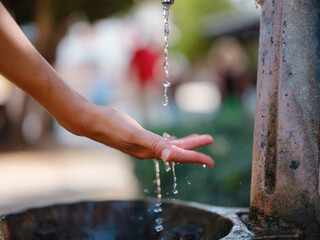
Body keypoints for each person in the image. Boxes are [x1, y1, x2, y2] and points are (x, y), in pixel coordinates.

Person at [0, 2, 214, 167]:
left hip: (148, 86)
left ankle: (154, 126)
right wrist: (86, 116)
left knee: (151, 111)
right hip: (142, 86)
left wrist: (86, 115)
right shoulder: (139, 49)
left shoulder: (146, 49)